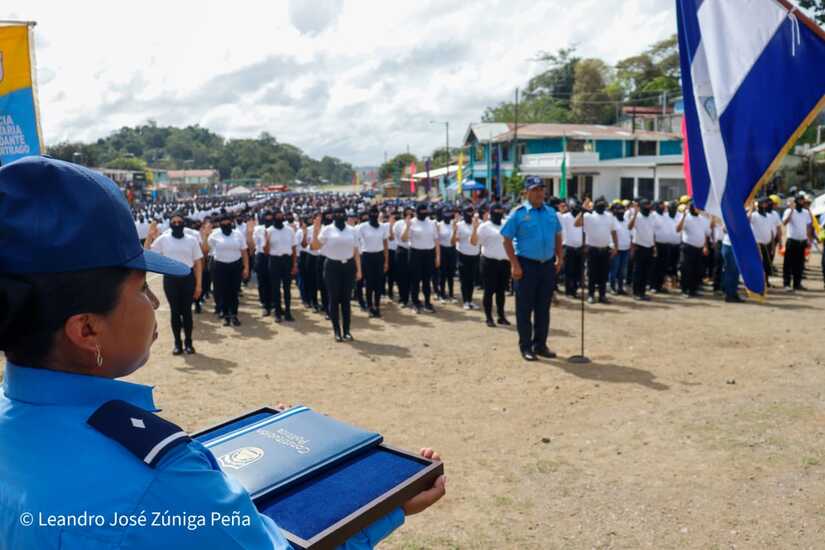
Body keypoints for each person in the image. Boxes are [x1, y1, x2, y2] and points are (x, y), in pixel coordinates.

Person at [0, 156, 446, 549]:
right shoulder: (160, 481)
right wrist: (390, 507)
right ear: (86, 329)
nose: (155, 304)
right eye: (141, 290)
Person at [501, 177, 563, 362]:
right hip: (526, 265)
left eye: (541, 189)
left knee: (543, 308)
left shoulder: (551, 212)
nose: (539, 193)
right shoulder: (517, 214)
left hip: (547, 265)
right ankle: (526, 346)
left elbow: (557, 235)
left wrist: (560, 257)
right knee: (524, 308)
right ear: (526, 192)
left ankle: (540, 344)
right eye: (534, 190)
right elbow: (506, 239)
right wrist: (514, 264)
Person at [144, 213, 203, 355]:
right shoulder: (164, 238)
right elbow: (146, 251)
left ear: (183, 223)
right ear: (170, 224)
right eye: (174, 222)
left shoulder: (191, 240)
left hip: (188, 278)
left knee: (187, 313)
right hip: (171, 279)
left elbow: (198, 263)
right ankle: (178, 343)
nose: (177, 224)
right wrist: (150, 235)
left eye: (179, 221)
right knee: (175, 312)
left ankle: (189, 343)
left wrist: (199, 285)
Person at [312, 207, 362, 341]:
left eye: (342, 213)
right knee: (333, 299)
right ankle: (336, 331)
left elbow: (356, 251)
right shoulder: (327, 229)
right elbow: (315, 247)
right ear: (333, 216)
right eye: (337, 214)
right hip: (332, 267)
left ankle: (347, 331)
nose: (340, 216)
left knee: (346, 300)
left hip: (349, 266)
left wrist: (359, 270)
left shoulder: (352, 230)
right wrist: (316, 230)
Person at [471, 202, 511, 328]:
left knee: (501, 291)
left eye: (501, 211)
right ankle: (489, 317)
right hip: (489, 262)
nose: (498, 213)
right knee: (489, 291)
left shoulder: (506, 224)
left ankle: (501, 316)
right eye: (496, 211)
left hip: (504, 262)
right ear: (491, 212)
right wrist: (474, 228)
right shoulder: (484, 227)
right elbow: (474, 242)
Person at [575, 197, 618, 305]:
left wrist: (616, 246)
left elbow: (613, 232)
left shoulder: (609, 216)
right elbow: (576, 223)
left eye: (603, 204)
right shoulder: (589, 216)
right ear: (595, 205)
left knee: (603, 274)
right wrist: (582, 211)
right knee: (592, 274)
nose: (601, 206)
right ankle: (591, 295)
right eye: (599, 204)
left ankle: (602, 295)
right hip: (592, 249)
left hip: (605, 249)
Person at [208, 214, 250, 326]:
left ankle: (234, 315)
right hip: (220, 266)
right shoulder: (214, 234)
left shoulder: (238, 234)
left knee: (234, 291)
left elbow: (244, 252)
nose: (226, 225)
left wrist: (246, 267)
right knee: (223, 291)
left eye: (228, 223)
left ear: (232, 223)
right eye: (224, 224)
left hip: (235, 266)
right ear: (220, 224)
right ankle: (225, 315)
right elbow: (209, 249)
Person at [403, 203, 440, 314]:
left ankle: (428, 302)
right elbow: (404, 238)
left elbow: (436, 240)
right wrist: (408, 226)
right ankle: (415, 302)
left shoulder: (431, 223)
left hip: (429, 254)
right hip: (415, 253)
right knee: (415, 280)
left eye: (425, 212)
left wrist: (437, 256)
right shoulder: (412, 223)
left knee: (426, 280)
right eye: (422, 212)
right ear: (417, 212)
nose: (424, 214)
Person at [264, 209, 298, 323]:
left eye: (281, 216)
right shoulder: (268, 231)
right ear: (273, 218)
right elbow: (266, 252)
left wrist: (294, 264)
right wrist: (266, 241)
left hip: (287, 260)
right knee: (275, 288)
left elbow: (293, 248)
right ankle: (278, 312)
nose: (280, 218)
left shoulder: (290, 230)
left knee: (287, 288)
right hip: (274, 260)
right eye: (277, 216)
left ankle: (288, 311)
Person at [357, 206, 390, 318]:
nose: (374, 215)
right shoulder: (362, 227)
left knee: (379, 284)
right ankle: (370, 307)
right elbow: (356, 242)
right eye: (372, 212)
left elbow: (385, 244)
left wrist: (386, 261)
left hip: (379, 256)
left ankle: (377, 306)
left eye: (376, 213)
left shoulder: (382, 227)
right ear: (368, 214)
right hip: (367, 257)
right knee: (369, 283)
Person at [676, 202, 710, 297]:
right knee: (686, 269)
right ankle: (684, 290)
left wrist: (705, 246)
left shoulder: (702, 219)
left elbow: (705, 234)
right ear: (691, 208)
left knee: (697, 270)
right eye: (695, 208)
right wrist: (683, 217)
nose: (697, 209)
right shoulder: (686, 217)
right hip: (688, 247)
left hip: (699, 249)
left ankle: (693, 290)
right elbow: (678, 229)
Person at [782, 193, 813, 291]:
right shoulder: (789, 211)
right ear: (795, 201)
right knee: (788, 263)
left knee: (799, 264)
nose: (801, 202)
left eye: (802, 200)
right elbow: (784, 222)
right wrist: (791, 210)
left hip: (802, 241)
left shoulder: (806, 212)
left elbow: (808, 226)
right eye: (799, 200)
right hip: (792, 240)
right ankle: (786, 284)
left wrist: (808, 239)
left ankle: (797, 283)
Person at [628, 198, 656, 301]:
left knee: (645, 272)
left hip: (649, 247)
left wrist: (654, 246)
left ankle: (643, 292)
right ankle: (636, 293)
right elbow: (629, 227)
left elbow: (652, 232)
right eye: (645, 206)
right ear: (640, 207)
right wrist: (635, 214)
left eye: (649, 205)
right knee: (638, 272)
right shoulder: (637, 217)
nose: (648, 207)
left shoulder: (652, 217)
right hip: (639, 247)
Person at [453, 205, 480, 310]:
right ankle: (465, 301)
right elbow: (456, 239)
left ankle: (470, 300)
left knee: (472, 279)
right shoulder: (459, 225)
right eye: (467, 212)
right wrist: (455, 230)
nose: (470, 214)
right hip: (463, 255)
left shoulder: (478, 223)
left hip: (475, 255)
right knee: (464, 280)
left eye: (471, 212)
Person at [249, 211, 274, 316]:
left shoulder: (275, 228)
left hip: (273, 256)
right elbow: (255, 243)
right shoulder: (258, 229)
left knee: (273, 281)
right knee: (262, 281)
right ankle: (265, 304)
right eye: (266, 217)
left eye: (270, 217)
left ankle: (274, 303)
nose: (268, 219)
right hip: (262, 256)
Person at [559, 199, 584, 297]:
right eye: (574, 208)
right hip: (569, 247)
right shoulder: (565, 217)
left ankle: (575, 290)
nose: (576, 210)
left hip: (579, 247)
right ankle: (569, 291)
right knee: (569, 271)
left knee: (578, 271)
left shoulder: (581, 217)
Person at [750, 197, 775, 286]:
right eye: (762, 203)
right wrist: (751, 209)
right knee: (758, 264)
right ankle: (757, 282)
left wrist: (772, 245)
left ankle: (766, 281)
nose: (764, 205)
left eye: (766, 203)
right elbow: (747, 220)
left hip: (767, 243)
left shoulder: (769, 216)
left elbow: (771, 231)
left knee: (767, 264)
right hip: (758, 244)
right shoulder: (754, 215)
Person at [608, 202, 631, 296]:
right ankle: (612, 287)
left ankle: (620, 288)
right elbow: (610, 235)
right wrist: (613, 247)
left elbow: (630, 232)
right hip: (616, 249)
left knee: (622, 270)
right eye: (619, 209)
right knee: (614, 269)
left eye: (622, 209)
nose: (621, 211)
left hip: (626, 248)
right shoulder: (612, 220)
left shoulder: (626, 220)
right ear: (614, 211)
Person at [436, 207, 458, 303]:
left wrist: (454, 229)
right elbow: (437, 240)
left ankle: (451, 294)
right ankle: (441, 294)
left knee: (451, 273)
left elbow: (454, 241)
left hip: (452, 250)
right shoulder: (439, 225)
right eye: (446, 214)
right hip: (442, 250)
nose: (448, 216)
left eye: (449, 213)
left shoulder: (454, 224)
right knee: (442, 274)